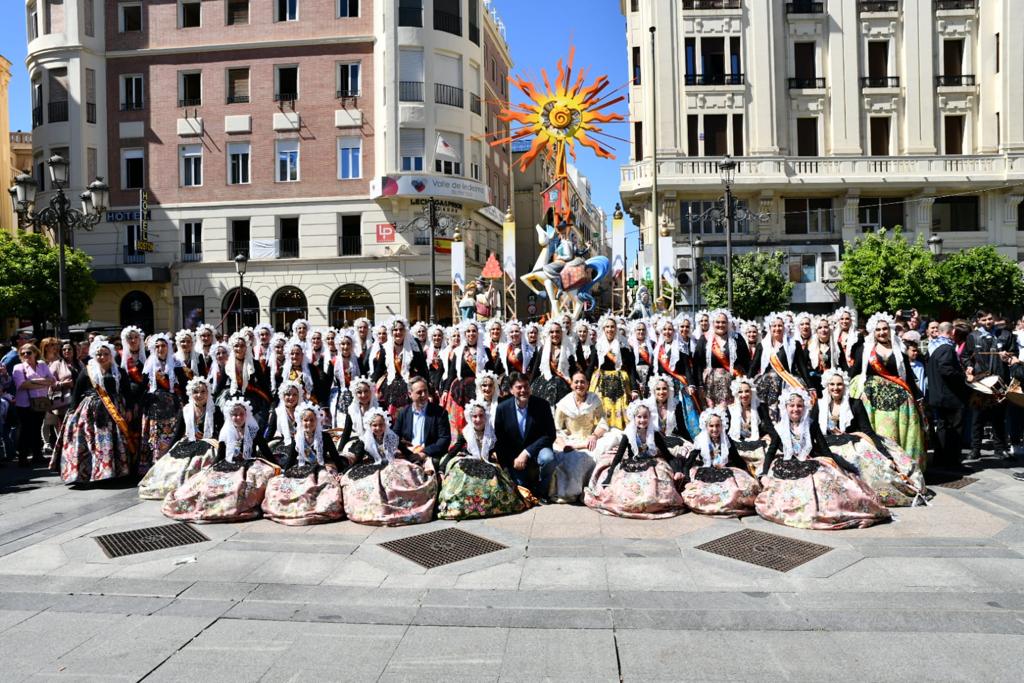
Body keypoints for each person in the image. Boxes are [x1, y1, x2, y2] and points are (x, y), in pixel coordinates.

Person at [755, 387, 890, 530]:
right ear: (785, 407)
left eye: (799, 405)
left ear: (805, 407)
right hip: (786, 466)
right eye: (792, 406)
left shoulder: (811, 424)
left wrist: (840, 467)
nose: (796, 409)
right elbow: (770, 452)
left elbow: (824, 448)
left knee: (826, 485)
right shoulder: (780, 428)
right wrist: (764, 474)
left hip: (810, 463)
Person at [816, 368, 927, 507]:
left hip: (853, 441)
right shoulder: (820, 405)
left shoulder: (854, 403)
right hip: (828, 444)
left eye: (839, 384)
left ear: (844, 385)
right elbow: (813, 430)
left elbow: (867, 431)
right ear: (827, 386)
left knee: (868, 462)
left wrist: (886, 455)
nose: (835, 388)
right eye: (832, 384)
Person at [162, 398, 279, 523]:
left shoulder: (252, 430)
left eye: (241, 414)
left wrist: (277, 465)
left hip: (249, 463)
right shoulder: (226, 431)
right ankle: (212, 507)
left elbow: (265, 450)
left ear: (246, 415)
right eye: (234, 415)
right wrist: (211, 468)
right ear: (230, 416)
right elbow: (221, 455)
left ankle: (235, 507)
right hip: (228, 463)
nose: (238, 418)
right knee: (208, 484)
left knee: (242, 485)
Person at [849, 312, 927, 468]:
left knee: (897, 435)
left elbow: (908, 378)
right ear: (873, 331)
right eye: (878, 330)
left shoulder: (900, 351)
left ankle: (901, 465)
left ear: (890, 329)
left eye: (884, 329)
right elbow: (855, 373)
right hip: (873, 402)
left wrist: (918, 398)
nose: (881, 332)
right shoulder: (864, 351)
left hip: (899, 402)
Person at [584, 402, 686, 519]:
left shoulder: (655, 434)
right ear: (634, 417)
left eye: (645, 417)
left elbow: (668, 455)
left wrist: (677, 470)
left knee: (655, 487)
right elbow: (618, 456)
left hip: (652, 463)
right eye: (639, 417)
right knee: (623, 490)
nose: (642, 420)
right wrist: (609, 475)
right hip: (631, 464)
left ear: (650, 417)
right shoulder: (628, 434)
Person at [339, 408, 438, 525]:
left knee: (402, 479)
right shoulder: (365, 441)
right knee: (372, 486)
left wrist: (417, 460)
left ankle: (405, 507)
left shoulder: (391, 437)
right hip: (372, 466)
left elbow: (406, 452)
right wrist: (344, 472)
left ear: (385, 424)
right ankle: (380, 510)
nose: (378, 428)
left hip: (392, 463)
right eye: (374, 425)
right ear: (369, 426)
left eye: (381, 425)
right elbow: (357, 460)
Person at [437, 400, 528, 519]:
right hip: (468, 462)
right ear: (470, 417)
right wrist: (441, 469)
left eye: (481, 416)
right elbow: (452, 451)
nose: (478, 419)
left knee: (496, 485)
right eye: (475, 416)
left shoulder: (492, 434)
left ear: (486, 417)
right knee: (462, 483)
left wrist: (508, 475)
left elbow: (501, 454)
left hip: (487, 463)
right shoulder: (466, 433)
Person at [59, 340, 134, 484]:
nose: (102, 357)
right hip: (90, 411)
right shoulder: (87, 371)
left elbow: (126, 391)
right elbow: (77, 392)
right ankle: (92, 472)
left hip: (113, 410)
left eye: (106, 354)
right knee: (91, 442)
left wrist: (129, 409)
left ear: (111, 355)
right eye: (99, 354)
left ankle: (113, 472)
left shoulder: (119, 372)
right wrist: (72, 411)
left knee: (112, 442)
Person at [262, 401, 345, 525]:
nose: (309, 423)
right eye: (305, 420)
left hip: (320, 468)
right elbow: (290, 460)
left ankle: (316, 509)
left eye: (312, 420)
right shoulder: (298, 438)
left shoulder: (325, 437)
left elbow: (336, 458)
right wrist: (283, 473)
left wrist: (341, 471)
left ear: (317, 421)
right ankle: (294, 509)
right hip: (302, 467)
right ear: (301, 422)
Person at [138, 376, 221, 500]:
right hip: (189, 443)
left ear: (208, 392)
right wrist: (166, 453)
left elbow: (222, 432)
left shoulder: (216, 410)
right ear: (190, 394)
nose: (199, 395)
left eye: (203, 391)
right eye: (195, 392)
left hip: (209, 444)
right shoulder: (186, 411)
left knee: (198, 465)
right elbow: (178, 433)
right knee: (173, 466)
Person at [681, 408, 761, 517]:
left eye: (718, 425)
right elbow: (688, 463)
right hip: (705, 471)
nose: (715, 429)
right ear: (706, 426)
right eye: (711, 426)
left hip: (725, 470)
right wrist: (687, 480)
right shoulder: (700, 440)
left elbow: (736, 459)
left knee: (740, 489)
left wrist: (748, 472)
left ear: (722, 426)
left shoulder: (726, 439)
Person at [551, 370, 612, 503]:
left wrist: (595, 435)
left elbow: (603, 422)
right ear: (571, 384)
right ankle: (572, 492)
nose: (580, 385)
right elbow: (555, 428)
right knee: (572, 459)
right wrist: (563, 445)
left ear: (588, 384)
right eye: (576, 382)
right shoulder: (564, 403)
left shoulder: (594, 399)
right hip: (570, 440)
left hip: (590, 438)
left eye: (582, 382)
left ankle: (592, 489)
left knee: (606, 449)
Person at [963, 309, 1017, 460]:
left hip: (999, 381)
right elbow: (966, 356)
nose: (988, 322)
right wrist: (969, 366)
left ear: (994, 318)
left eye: (990, 319)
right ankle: (975, 449)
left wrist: (1008, 356)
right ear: (979, 321)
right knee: (977, 417)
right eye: (984, 320)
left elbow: (1015, 354)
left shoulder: (1006, 335)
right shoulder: (973, 336)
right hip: (980, 382)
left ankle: (1000, 449)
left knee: (999, 417)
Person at [493, 372, 557, 498]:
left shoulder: (542, 405)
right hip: (514, 455)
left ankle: (542, 492)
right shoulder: (502, 409)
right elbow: (500, 440)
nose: (523, 390)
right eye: (519, 387)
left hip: (537, 449)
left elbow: (550, 434)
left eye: (526, 386)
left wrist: (527, 452)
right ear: (511, 390)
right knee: (522, 490)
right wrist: (506, 466)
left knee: (548, 458)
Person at [927, 322, 972, 471]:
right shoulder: (947, 349)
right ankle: (951, 461)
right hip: (949, 398)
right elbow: (946, 370)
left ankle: (942, 460)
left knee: (943, 428)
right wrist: (963, 377)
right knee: (953, 430)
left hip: (940, 396)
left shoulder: (937, 348)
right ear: (952, 332)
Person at [139, 334, 182, 472]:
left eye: (163, 346)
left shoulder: (175, 362)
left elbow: (184, 383)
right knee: (155, 437)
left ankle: (172, 465)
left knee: (172, 436)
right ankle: (156, 466)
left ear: (168, 347)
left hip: (172, 406)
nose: (160, 349)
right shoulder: (149, 363)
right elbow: (143, 385)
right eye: (157, 346)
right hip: (154, 407)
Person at [392, 376, 452, 470]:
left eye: (426, 391)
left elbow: (444, 439)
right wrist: (407, 453)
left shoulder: (439, 413)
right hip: (408, 454)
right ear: (410, 394)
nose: (424, 395)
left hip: (430, 455)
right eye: (419, 392)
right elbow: (394, 437)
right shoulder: (403, 413)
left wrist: (424, 453)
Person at [12, 343, 55, 467]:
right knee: (25, 430)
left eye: (29, 352)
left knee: (36, 429)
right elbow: (21, 385)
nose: (26, 355)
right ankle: (23, 457)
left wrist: (32, 381)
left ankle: (37, 455)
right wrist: (43, 382)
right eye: (23, 353)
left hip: (40, 403)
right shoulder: (18, 367)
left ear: (35, 353)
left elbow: (52, 380)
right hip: (24, 404)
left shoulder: (42, 364)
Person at [591, 316, 636, 429]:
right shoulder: (598, 346)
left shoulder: (624, 347)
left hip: (620, 383)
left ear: (616, 328)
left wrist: (634, 389)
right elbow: (591, 366)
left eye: (612, 327)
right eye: (607, 327)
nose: (610, 329)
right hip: (601, 382)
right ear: (603, 329)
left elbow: (631, 369)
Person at [726, 377, 775, 477]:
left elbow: (770, 427)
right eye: (740, 392)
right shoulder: (731, 410)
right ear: (736, 393)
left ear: (752, 392)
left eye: (747, 391)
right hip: (739, 446)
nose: (744, 395)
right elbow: (726, 433)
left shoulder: (760, 407)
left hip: (758, 443)